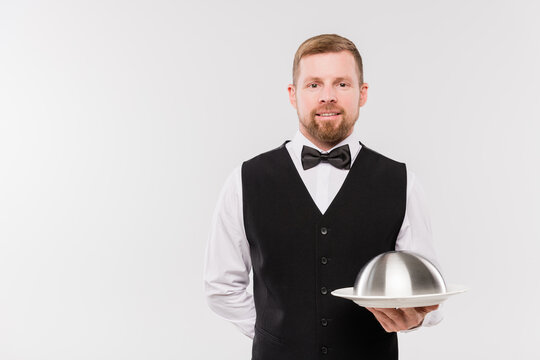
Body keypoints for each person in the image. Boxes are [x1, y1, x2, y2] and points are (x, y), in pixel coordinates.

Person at [204, 33, 443, 360]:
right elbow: (221, 286)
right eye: (314, 84)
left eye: (342, 84)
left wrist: (415, 318)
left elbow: (429, 294)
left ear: (363, 93)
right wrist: (274, 333)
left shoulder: (402, 182)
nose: (327, 96)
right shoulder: (245, 180)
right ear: (293, 94)